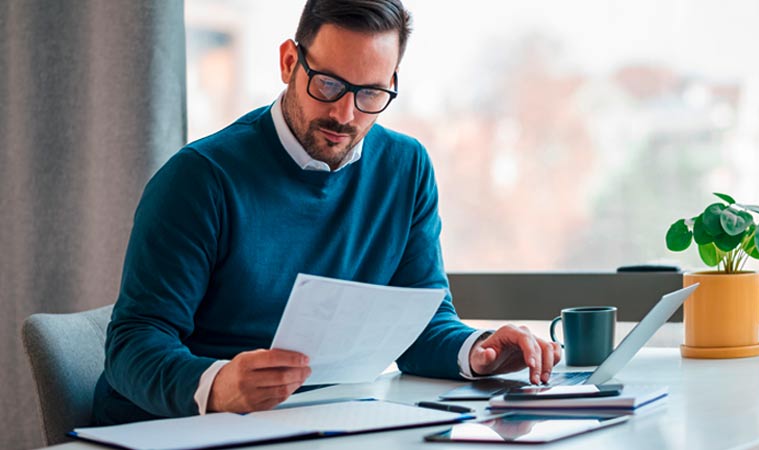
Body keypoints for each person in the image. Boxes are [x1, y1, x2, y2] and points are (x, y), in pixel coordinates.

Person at [93, 0, 561, 425]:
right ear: (289, 63)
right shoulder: (199, 179)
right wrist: (219, 384)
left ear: (392, 84)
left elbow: (421, 324)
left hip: (314, 421)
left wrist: (478, 351)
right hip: (177, 428)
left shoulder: (406, 168)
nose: (346, 115)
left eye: (371, 93)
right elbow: (134, 345)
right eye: (329, 84)